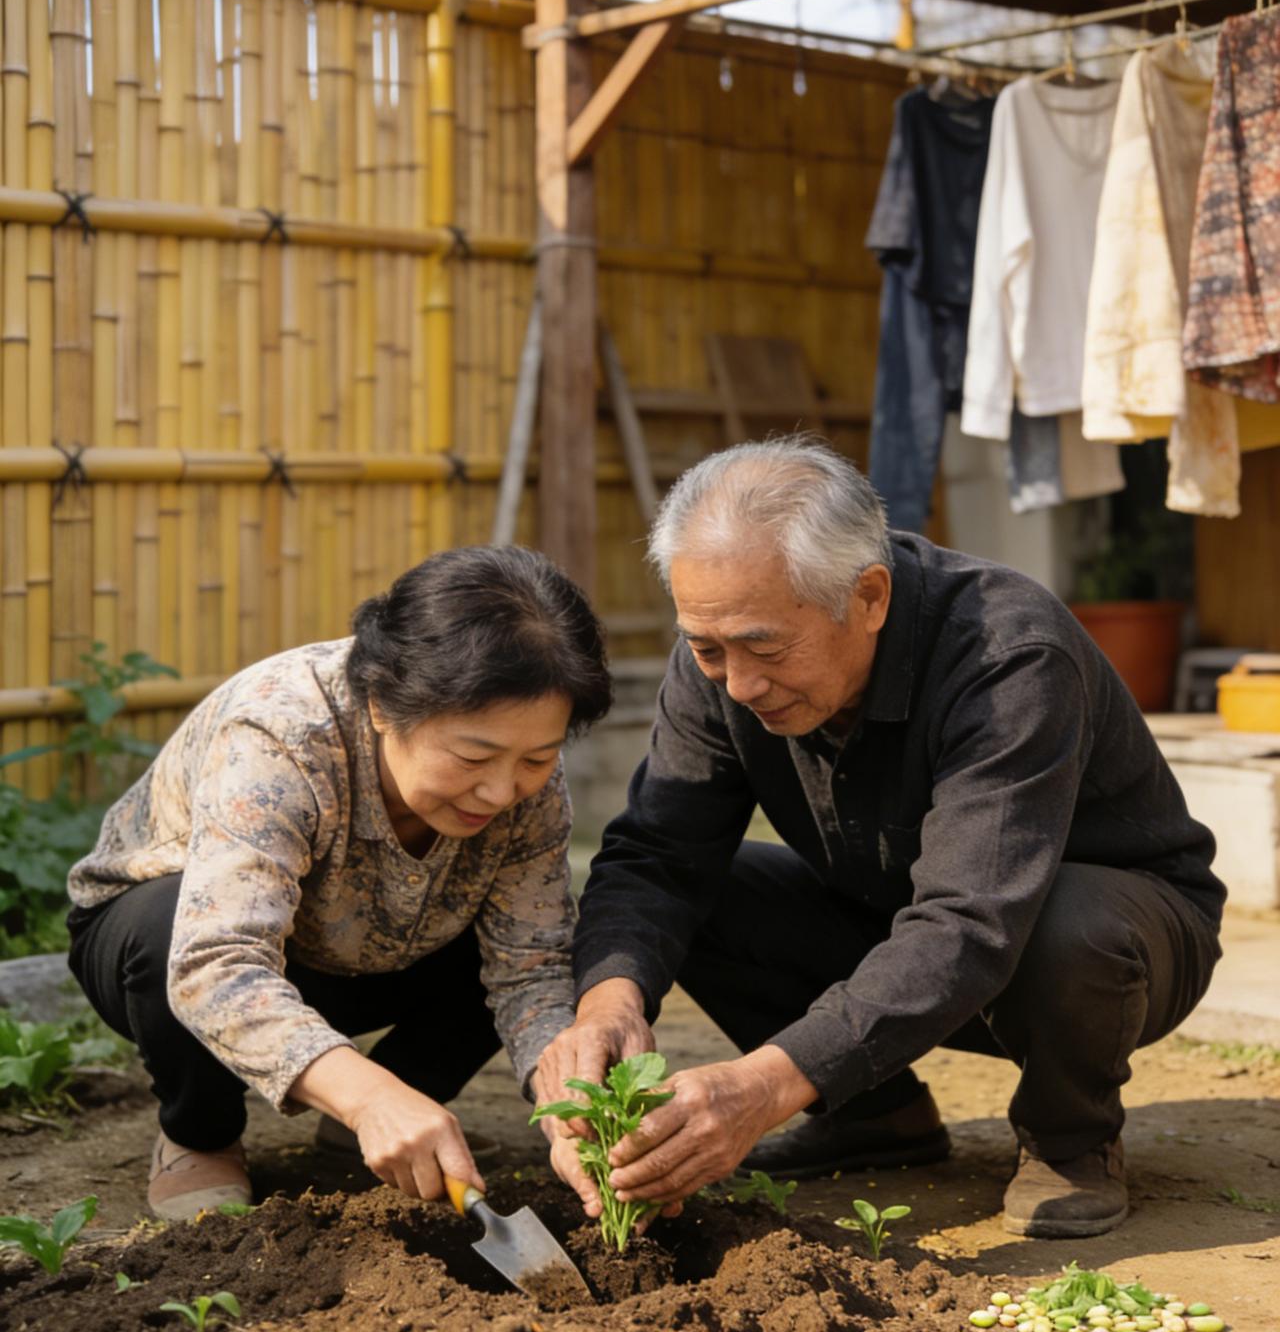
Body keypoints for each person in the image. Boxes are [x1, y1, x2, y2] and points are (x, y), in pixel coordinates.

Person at [536, 437, 1225, 1239]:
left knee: (1072, 920)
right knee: (705, 898)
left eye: (765, 647)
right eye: (708, 647)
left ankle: (1070, 1139)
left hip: (1103, 951)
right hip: (896, 918)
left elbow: (972, 923)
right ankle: (877, 1116)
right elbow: (657, 854)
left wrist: (760, 1087)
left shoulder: (1008, 654)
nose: (741, 683)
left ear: (868, 597)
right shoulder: (723, 661)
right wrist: (606, 1005)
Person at [67, 546, 612, 1220]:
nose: (502, 790)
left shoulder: (528, 785)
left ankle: (380, 1122)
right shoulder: (282, 731)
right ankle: (198, 1135)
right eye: (473, 755)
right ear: (384, 704)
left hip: (384, 952)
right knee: (168, 924)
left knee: (559, 933)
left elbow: (529, 965)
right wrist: (367, 1095)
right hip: (180, 953)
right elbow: (215, 962)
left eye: (537, 757)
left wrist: (567, 1102)